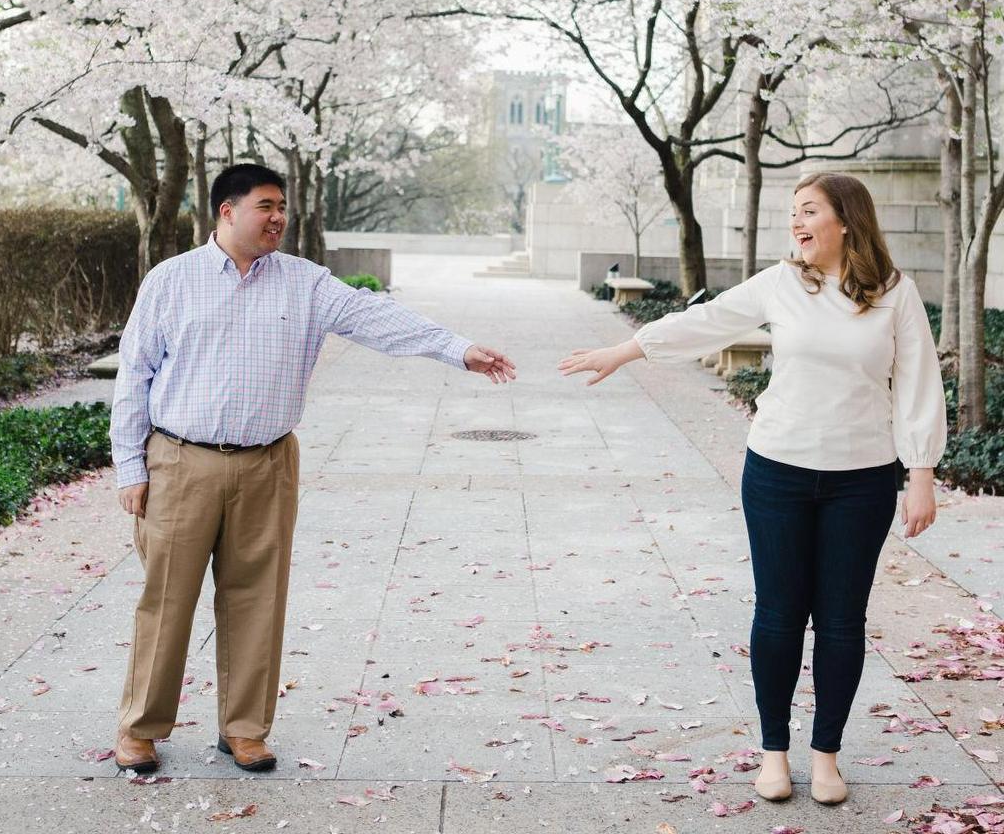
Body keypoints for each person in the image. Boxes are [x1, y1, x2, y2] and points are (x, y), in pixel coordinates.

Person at [111, 162, 516, 774]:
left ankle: (244, 729)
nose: (279, 217)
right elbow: (133, 375)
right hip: (180, 463)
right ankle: (141, 728)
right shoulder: (171, 281)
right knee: (165, 600)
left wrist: (458, 349)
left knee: (257, 599)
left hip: (268, 463)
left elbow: (378, 318)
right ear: (227, 211)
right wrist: (129, 468)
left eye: (283, 208)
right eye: (267, 206)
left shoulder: (304, 282)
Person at [558, 172, 946, 806]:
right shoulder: (781, 283)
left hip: (864, 479)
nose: (797, 223)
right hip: (778, 471)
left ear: (846, 220)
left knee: (842, 621)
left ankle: (826, 757)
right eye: (793, 212)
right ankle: (774, 754)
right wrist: (626, 350)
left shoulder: (894, 294)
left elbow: (917, 383)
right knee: (779, 613)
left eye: (809, 211)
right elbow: (704, 323)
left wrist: (921, 473)